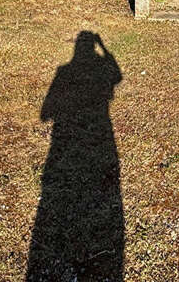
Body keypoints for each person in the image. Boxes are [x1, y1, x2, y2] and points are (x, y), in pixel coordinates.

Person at [26, 31, 123, 281]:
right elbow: (117, 75)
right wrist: (105, 49)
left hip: (67, 139)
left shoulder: (63, 71)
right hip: (101, 127)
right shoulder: (101, 65)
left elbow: (45, 113)